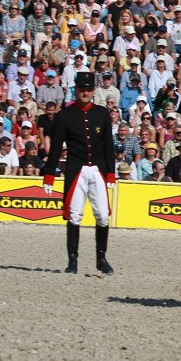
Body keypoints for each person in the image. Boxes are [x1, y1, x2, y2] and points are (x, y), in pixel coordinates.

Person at [42, 72, 115, 275]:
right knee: (74, 215)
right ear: (76, 89)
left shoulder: (102, 113)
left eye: (89, 88)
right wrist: (49, 175)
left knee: (102, 215)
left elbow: (109, 145)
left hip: (98, 170)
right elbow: (56, 147)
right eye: (82, 88)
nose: (85, 92)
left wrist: (111, 173)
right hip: (76, 170)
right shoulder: (65, 115)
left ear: (93, 90)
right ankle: (72, 260)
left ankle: (101, 258)